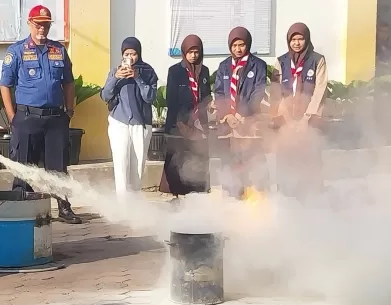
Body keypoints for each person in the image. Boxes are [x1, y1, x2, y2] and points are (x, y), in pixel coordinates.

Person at [0, 4, 81, 224]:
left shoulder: (59, 50)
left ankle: (64, 208)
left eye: (45, 25)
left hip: (55, 119)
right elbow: (5, 85)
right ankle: (20, 209)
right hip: (26, 118)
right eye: (38, 25)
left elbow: (69, 83)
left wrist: (69, 110)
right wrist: (12, 116)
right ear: (29, 24)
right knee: (24, 166)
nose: (42, 29)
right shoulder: (16, 51)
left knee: (58, 167)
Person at [270, 23, 328, 200]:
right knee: (286, 160)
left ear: (307, 39)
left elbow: (320, 90)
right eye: (293, 39)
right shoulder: (280, 62)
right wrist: (286, 119)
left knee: (309, 160)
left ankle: (313, 200)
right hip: (286, 122)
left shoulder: (318, 60)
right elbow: (275, 92)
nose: (296, 42)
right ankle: (286, 199)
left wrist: (306, 118)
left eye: (300, 38)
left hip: (308, 122)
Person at [213, 26, 268, 198]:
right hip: (228, 125)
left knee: (252, 162)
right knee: (230, 163)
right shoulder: (223, 66)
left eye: (242, 44)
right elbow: (219, 92)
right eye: (234, 45)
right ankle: (232, 199)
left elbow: (258, 92)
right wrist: (227, 116)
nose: (238, 48)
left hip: (249, 123)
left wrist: (242, 114)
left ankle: (255, 199)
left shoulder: (258, 65)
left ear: (248, 45)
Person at [100, 37, 158, 197]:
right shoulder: (115, 71)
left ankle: (135, 203)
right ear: (122, 55)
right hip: (119, 122)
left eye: (134, 54)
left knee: (138, 165)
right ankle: (123, 204)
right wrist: (116, 78)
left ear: (139, 54)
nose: (130, 58)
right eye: (127, 54)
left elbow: (150, 97)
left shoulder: (147, 72)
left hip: (141, 124)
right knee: (121, 163)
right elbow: (105, 95)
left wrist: (137, 77)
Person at [159, 35, 212, 201]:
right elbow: (171, 99)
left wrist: (207, 107)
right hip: (179, 124)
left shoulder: (204, 71)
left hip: (199, 124)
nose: (194, 55)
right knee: (178, 159)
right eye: (190, 52)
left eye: (197, 52)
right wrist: (182, 121)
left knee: (198, 157)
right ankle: (177, 194)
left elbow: (206, 95)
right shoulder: (175, 71)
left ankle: (197, 194)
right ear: (184, 52)